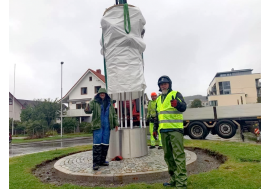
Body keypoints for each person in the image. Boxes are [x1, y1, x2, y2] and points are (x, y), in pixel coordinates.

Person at [153, 75, 187, 188]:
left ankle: (181, 183)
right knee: (168, 157)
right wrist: (155, 129)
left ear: (169, 84)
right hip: (163, 131)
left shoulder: (176, 94)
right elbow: (157, 116)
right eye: (161, 84)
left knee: (178, 155)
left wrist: (178, 104)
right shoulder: (158, 99)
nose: (163, 85)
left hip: (175, 130)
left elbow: (184, 107)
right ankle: (173, 179)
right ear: (159, 86)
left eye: (165, 83)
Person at [84, 88, 119, 170]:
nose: (102, 94)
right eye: (101, 93)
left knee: (105, 144)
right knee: (97, 144)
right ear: (98, 94)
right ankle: (95, 163)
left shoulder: (110, 103)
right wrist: (87, 108)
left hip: (107, 126)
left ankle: (102, 161)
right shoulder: (94, 102)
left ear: (106, 94)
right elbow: (88, 111)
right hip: (97, 126)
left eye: (104, 93)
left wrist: (116, 124)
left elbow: (114, 114)